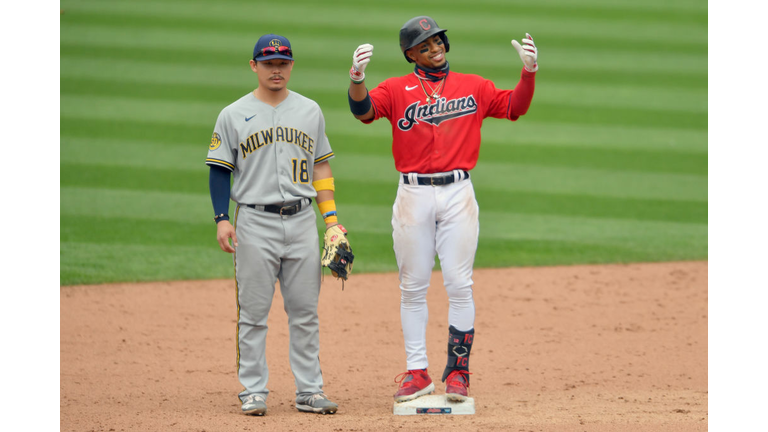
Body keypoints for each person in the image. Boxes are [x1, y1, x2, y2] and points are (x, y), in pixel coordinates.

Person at [347, 16, 538, 403]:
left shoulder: (474, 85)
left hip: (458, 194)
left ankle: (458, 372)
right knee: (413, 286)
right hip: (413, 196)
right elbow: (364, 112)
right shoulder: (396, 89)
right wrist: (356, 79)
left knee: (458, 282)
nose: (434, 49)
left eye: (437, 41)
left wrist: (528, 73)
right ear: (410, 54)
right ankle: (417, 372)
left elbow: (514, 106)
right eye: (424, 45)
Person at [206, 33, 346, 416]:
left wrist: (331, 220)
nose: (276, 69)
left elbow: (320, 164)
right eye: (268, 63)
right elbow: (219, 170)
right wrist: (221, 219)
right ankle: (253, 390)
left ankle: (309, 391)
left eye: (282, 62)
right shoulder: (232, 114)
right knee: (253, 313)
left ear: (291, 65)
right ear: (254, 66)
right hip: (254, 221)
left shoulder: (310, 110)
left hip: (302, 221)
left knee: (305, 312)